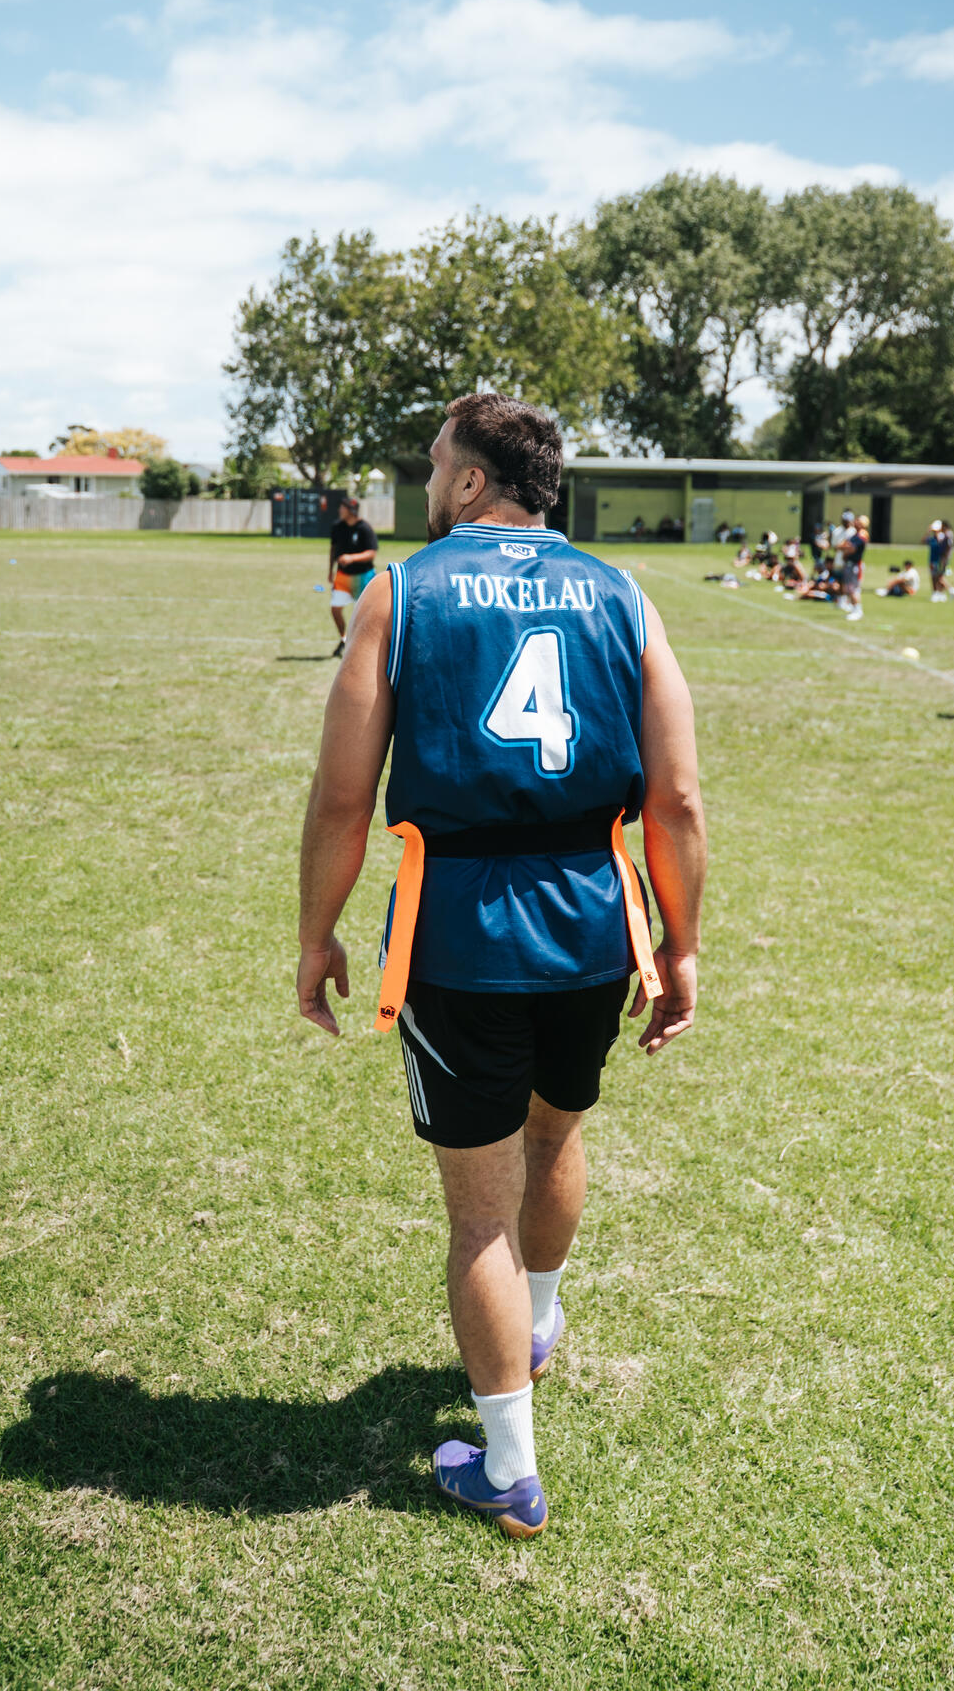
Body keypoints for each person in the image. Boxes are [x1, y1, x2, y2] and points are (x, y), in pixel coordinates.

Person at [295, 393, 706, 1540]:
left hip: (458, 930)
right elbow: (675, 799)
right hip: (594, 922)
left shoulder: (401, 592)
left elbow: (341, 797)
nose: (429, 481)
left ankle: (509, 1468)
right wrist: (679, 945)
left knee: (478, 1212)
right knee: (555, 1137)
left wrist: (315, 935)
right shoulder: (621, 593)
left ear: (473, 481)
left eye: (437, 463)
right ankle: (539, 1316)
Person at [327, 495, 379, 657]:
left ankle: (364, 645)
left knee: (364, 614)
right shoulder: (337, 527)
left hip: (363, 576)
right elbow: (333, 549)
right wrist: (330, 570)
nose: (339, 510)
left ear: (350, 510)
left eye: (342, 507)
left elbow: (371, 553)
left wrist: (351, 558)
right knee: (335, 609)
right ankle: (344, 639)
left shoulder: (364, 528)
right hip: (343, 576)